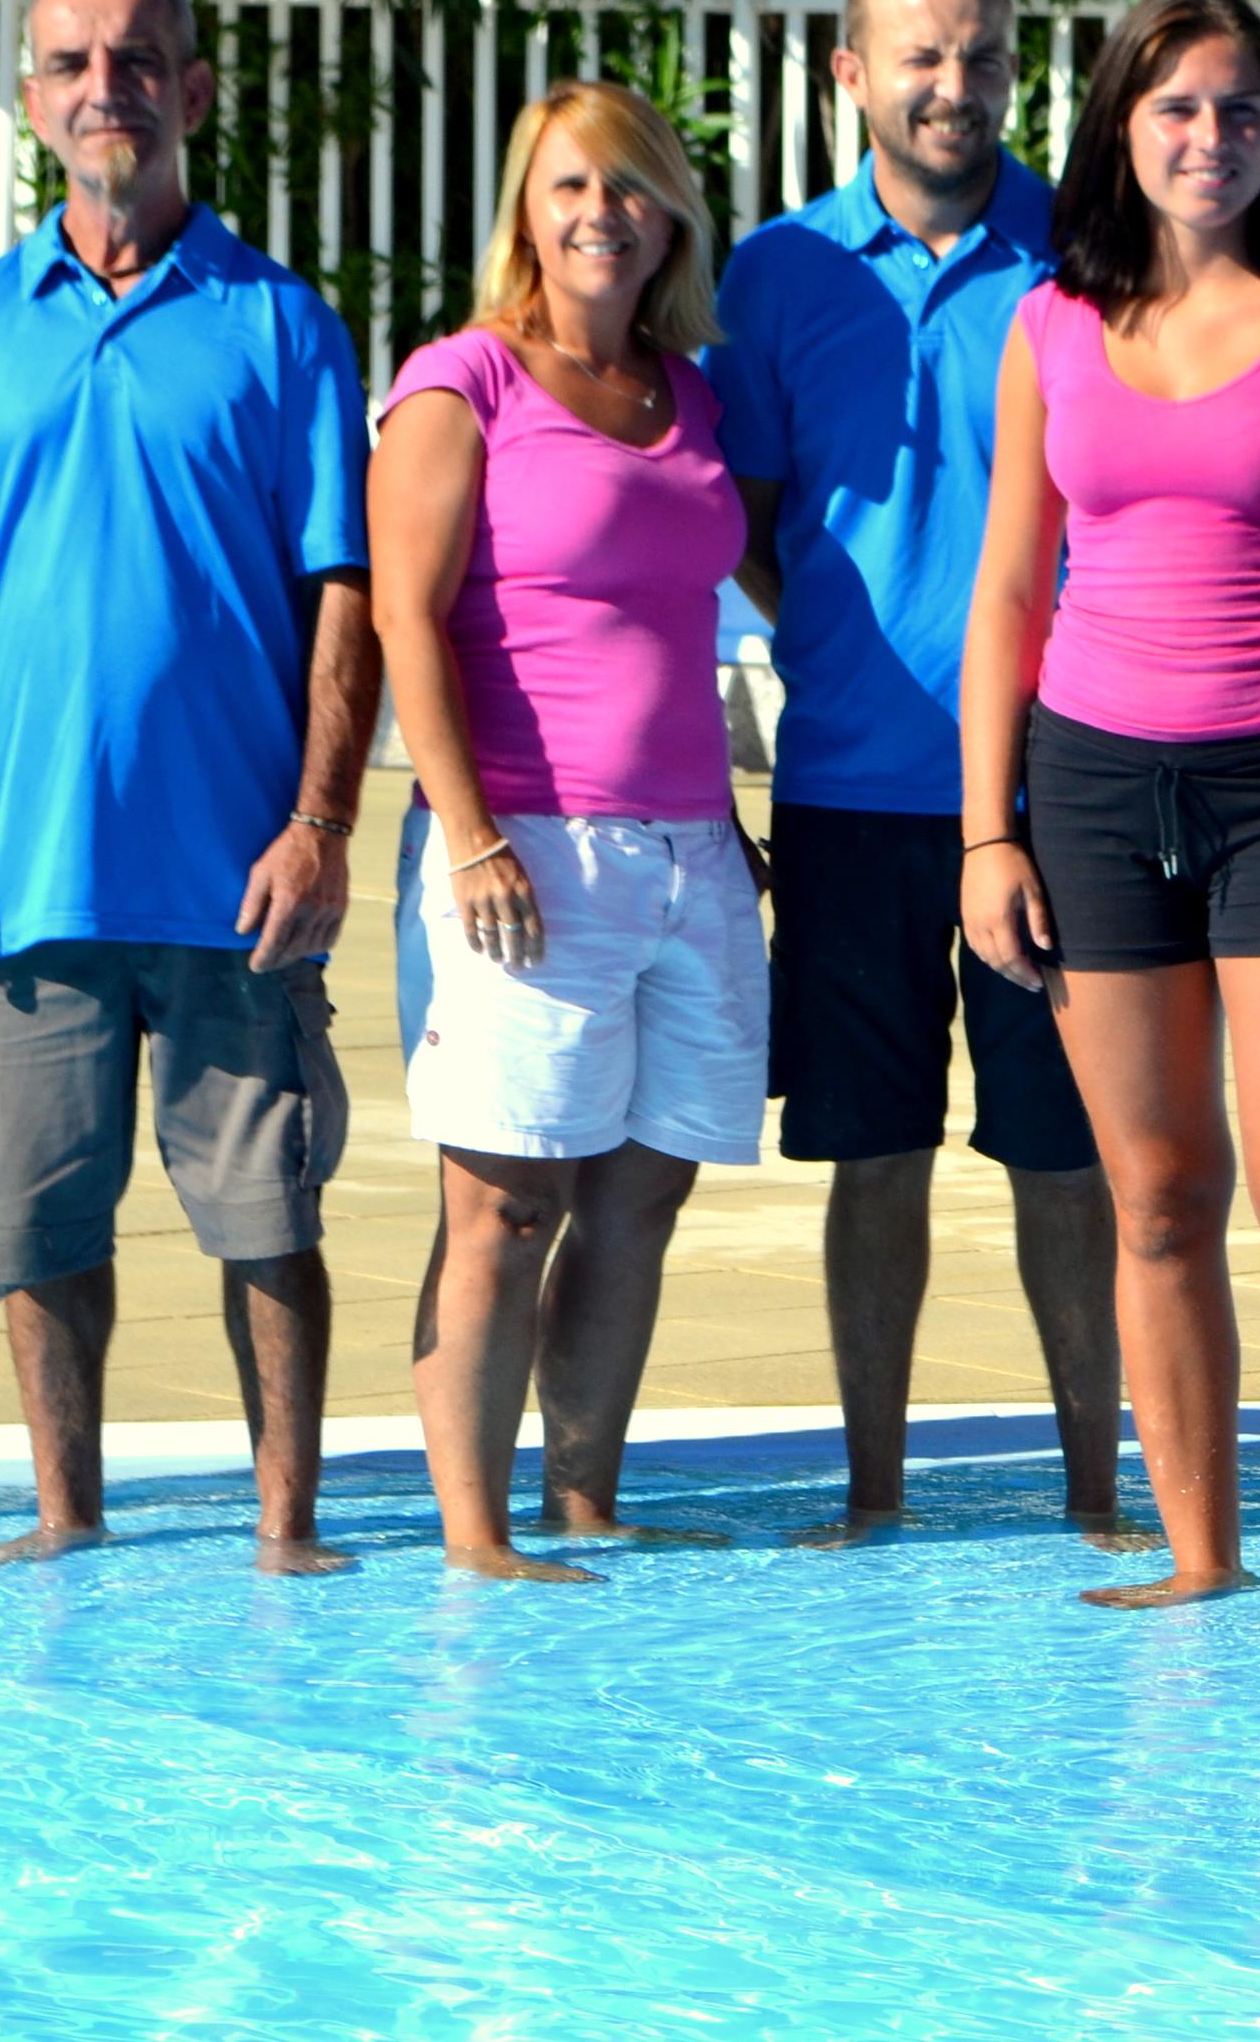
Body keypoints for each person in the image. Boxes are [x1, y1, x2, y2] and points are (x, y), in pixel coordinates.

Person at [0, 0, 379, 1576]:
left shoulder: (280, 324)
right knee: (35, 1219)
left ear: (192, 92)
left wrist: (319, 821)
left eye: (138, 61)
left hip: (234, 876)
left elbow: (342, 592)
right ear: (31, 103)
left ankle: (288, 1531)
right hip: (22, 870)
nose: (106, 88)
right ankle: (65, 1518)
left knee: (268, 1218)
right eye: (71, 63)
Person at [959, 0, 1260, 1617]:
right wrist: (987, 831)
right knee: (1154, 1198)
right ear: (1120, 131)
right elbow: (1009, 587)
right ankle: (1202, 1553)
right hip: (1086, 782)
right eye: (1176, 108)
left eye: (1239, 109)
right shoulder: (1049, 325)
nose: (1209, 137)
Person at [713, 0, 1126, 1547]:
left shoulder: (1085, 251)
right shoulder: (779, 275)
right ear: (851, 73)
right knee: (869, 1155)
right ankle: (872, 1495)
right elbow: (755, 523)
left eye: (982, 55)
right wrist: (857, 626)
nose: (955, 84)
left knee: (1065, 1157)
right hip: (850, 786)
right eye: (922, 55)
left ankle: (1098, 1496)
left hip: (1057, 782)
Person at [372, 82, 765, 1582]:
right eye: (572, 185)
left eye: (632, 186)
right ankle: (475, 1531)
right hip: (528, 850)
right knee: (506, 1198)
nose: (603, 211)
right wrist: (471, 834)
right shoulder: (462, 382)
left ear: (671, 220)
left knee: (643, 1189)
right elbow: (405, 617)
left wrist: (722, 826)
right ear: (526, 213)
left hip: (689, 852)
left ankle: (584, 1497)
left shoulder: (689, 393)